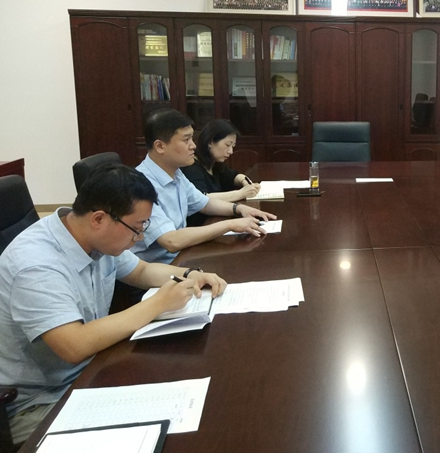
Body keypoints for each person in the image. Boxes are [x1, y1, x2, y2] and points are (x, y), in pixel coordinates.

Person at [0, 165, 227, 447]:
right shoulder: (36, 265)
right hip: (38, 402)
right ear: (98, 218)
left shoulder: (91, 235)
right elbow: (74, 345)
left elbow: (141, 271)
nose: (140, 237)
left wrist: (190, 274)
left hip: (90, 369)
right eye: (137, 228)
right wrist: (158, 304)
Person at [131, 109, 275, 265]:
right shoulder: (140, 185)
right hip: (156, 268)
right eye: (186, 140)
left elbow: (205, 204)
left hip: (183, 256)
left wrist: (239, 209)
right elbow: (171, 241)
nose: (193, 146)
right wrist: (230, 224)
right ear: (160, 146)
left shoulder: (176, 173)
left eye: (192, 139)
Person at [182, 119, 261, 227]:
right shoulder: (191, 168)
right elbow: (201, 199)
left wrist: (244, 181)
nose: (230, 151)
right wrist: (241, 193)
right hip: (201, 226)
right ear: (210, 142)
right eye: (227, 145)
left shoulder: (215, 162)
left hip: (216, 219)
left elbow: (232, 176)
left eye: (233, 146)